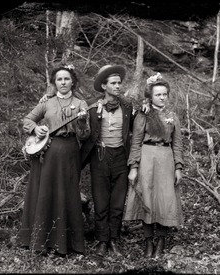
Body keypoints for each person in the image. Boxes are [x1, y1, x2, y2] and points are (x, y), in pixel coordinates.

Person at [17, 64, 90, 256]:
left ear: (73, 81)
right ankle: (41, 242)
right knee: (46, 193)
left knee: (67, 193)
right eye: (59, 79)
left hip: (70, 152)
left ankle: (67, 244)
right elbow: (27, 120)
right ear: (54, 82)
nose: (63, 82)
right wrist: (35, 129)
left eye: (66, 79)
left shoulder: (81, 104)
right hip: (48, 152)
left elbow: (83, 136)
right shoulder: (47, 102)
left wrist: (81, 122)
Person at [123, 72, 184, 258]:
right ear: (150, 96)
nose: (162, 97)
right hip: (147, 158)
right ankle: (149, 241)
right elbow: (136, 141)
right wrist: (133, 167)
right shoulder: (144, 115)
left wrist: (178, 167)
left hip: (166, 160)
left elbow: (178, 143)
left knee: (165, 200)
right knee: (147, 198)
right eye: (158, 94)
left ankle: (161, 241)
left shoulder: (172, 116)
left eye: (164, 94)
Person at [80, 65, 137, 257]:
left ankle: (114, 240)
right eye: (113, 83)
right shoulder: (91, 105)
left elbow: (138, 127)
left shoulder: (128, 106)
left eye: (119, 83)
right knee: (101, 201)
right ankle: (102, 241)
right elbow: (80, 128)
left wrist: (146, 109)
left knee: (118, 202)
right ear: (104, 86)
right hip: (100, 157)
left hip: (121, 157)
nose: (118, 86)